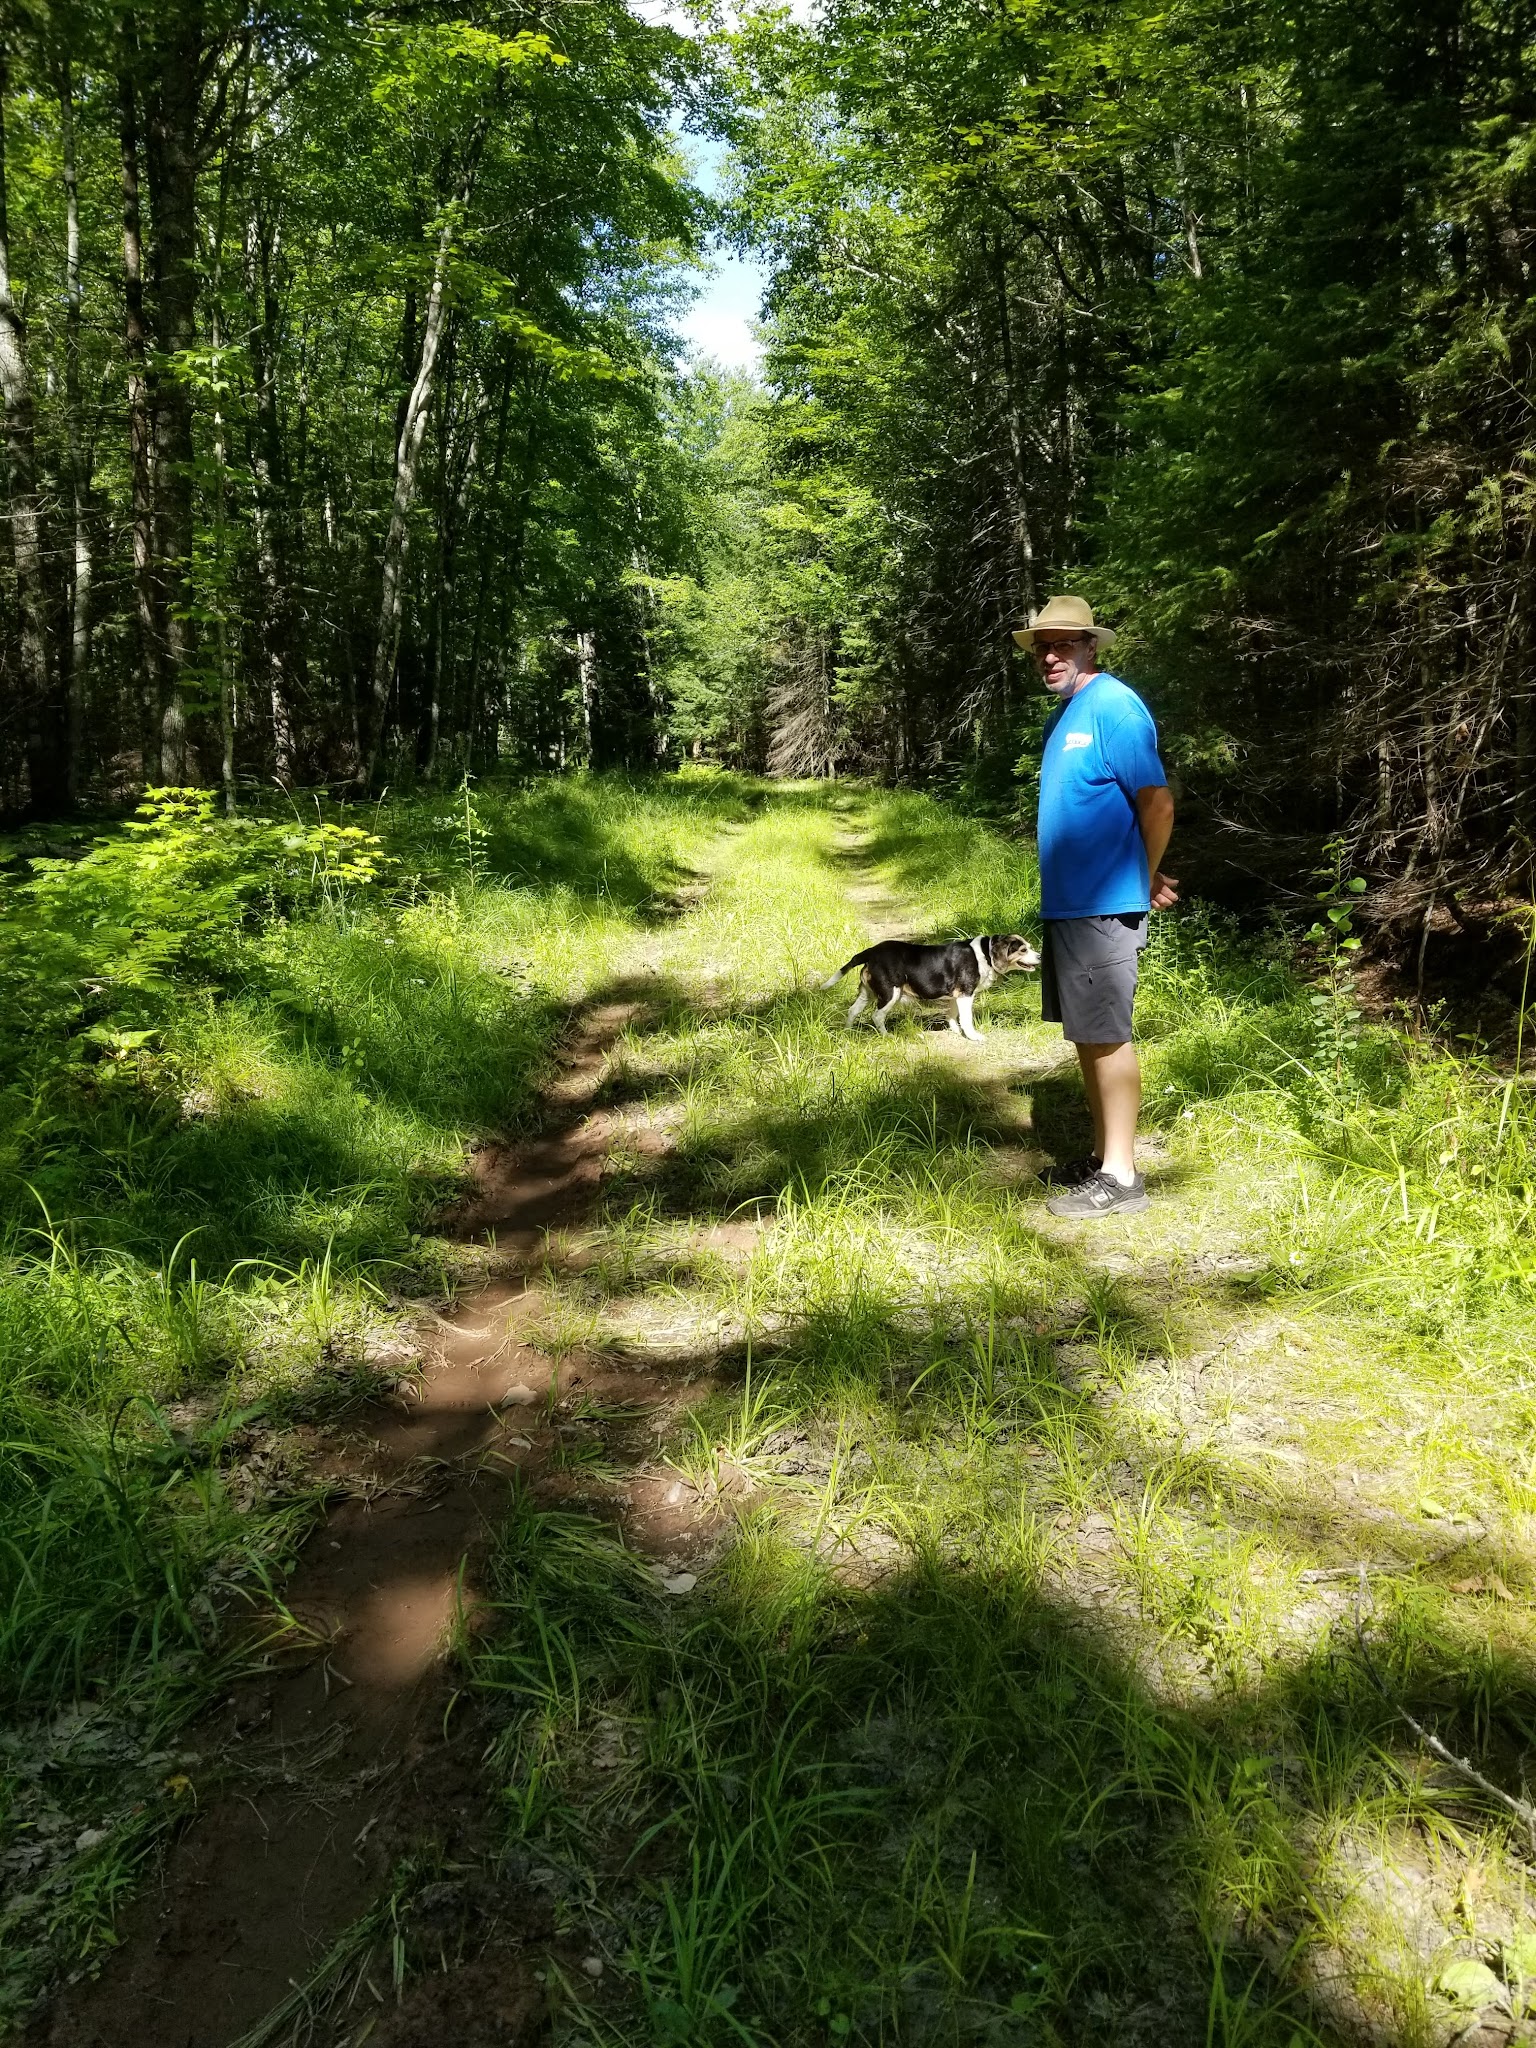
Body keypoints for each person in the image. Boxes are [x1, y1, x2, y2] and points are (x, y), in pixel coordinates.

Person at [1012, 594, 1178, 1218]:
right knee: (1088, 1035)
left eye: (1062, 645)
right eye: (1041, 647)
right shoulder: (1068, 714)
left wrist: (1144, 872)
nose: (1050, 656)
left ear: (1089, 647)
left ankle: (1123, 1177)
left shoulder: (1114, 707)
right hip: (1070, 905)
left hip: (1103, 905)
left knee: (1107, 1036)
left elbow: (1156, 803)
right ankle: (1105, 1154)